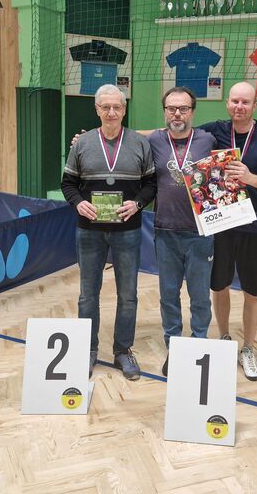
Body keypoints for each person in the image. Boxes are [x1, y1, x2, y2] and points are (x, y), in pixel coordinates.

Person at [61, 84, 156, 381]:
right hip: (89, 231)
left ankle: (123, 350)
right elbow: (68, 183)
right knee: (87, 295)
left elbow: (151, 184)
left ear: (124, 110)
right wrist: (78, 203)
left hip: (127, 230)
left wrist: (137, 203)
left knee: (128, 295)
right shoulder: (82, 143)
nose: (111, 112)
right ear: (97, 109)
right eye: (106, 107)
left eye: (117, 107)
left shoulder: (140, 144)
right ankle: (87, 349)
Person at [199, 81, 257, 381]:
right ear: (227, 103)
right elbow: (170, 133)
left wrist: (250, 178)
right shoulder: (214, 131)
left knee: (252, 291)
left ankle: (248, 348)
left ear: (255, 105)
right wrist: (123, 132)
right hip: (220, 224)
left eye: (245, 102)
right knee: (219, 286)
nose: (239, 106)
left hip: (255, 227)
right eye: (235, 101)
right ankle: (225, 339)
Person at [148, 87, 217, 376]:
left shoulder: (207, 140)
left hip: (201, 232)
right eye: (172, 108)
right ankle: (174, 347)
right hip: (165, 231)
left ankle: (198, 345)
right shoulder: (154, 140)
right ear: (165, 111)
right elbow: (128, 136)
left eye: (183, 109)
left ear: (192, 112)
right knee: (168, 295)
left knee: (200, 296)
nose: (177, 114)